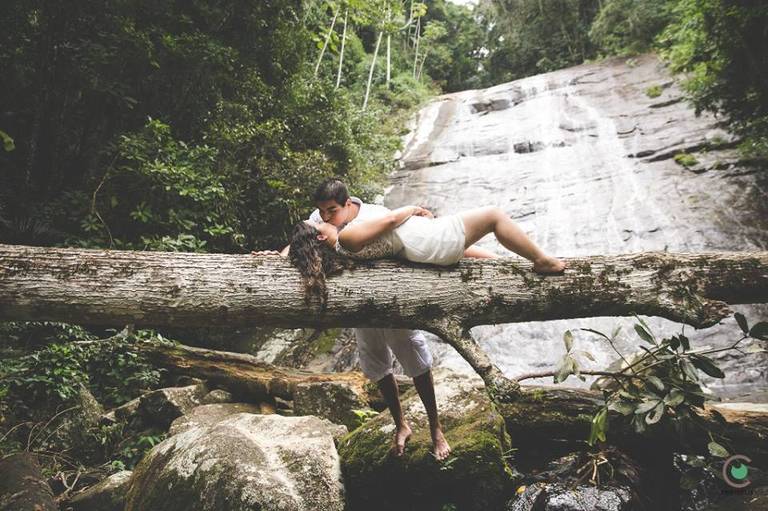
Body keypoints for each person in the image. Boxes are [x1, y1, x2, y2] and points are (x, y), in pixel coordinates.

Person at [256, 178, 456, 460]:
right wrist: (277, 258)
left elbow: (405, 240)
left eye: (332, 211)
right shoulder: (319, 217)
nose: (325, 217)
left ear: (348, 204)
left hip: (391, 297)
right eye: (321, 211)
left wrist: (414, 211)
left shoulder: (374, 216)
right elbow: (299, 239)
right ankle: (401, 425)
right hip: (357, 304)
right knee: (376, 365)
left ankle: (436, 429)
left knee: (416, 360)